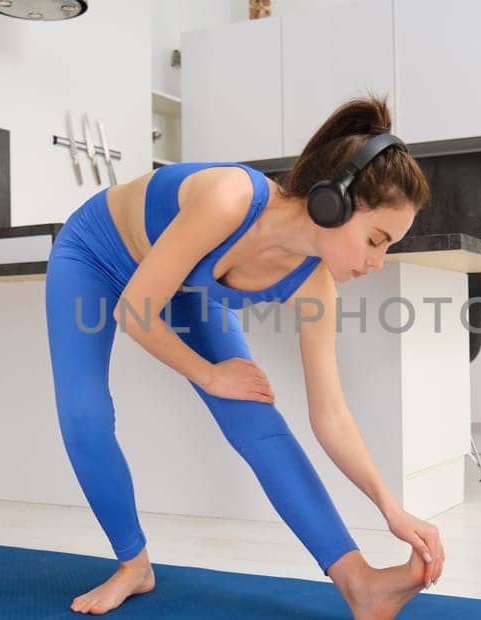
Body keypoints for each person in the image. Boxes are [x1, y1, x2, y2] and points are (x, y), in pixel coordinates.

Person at [45, 96, 444, 617]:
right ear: (333, 204)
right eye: (376, 239)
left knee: (254, 414)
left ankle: (360, 584)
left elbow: (331, 417)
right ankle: (133, 565)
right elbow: (135, 312)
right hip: (95, 254)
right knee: (84, 415)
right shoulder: (230, 199)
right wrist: (209, 375)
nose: (377, 260)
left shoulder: (315, 285)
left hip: (182, 282)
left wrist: (391, 507)